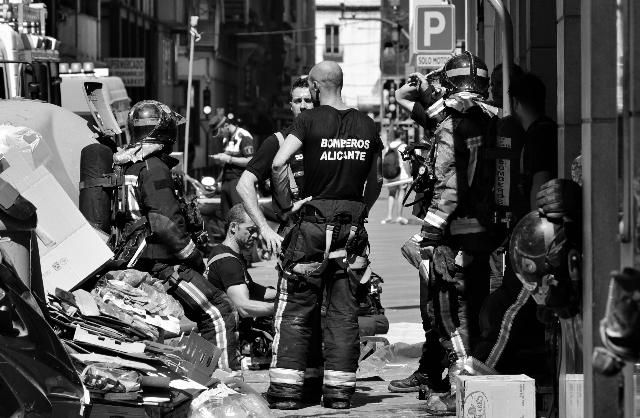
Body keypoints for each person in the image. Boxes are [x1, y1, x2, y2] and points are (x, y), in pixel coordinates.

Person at [265, 61, 383, 410]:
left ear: (315, 87)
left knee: (297, 308)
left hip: (312, 228)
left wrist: (288, 202)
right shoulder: (367, 124)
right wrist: (361, 212)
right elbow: (374, 183)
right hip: (351, 231)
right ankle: (339, 394)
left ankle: (286, 393)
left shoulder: (308, 120)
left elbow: (278, 162)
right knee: (343, 313)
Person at [391, 53, 500, 412]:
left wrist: (430, 235)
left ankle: (464, 391)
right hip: (484, 236)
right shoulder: (490, 120)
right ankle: (463, 384)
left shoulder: (453, 127)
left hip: (454, 238)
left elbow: (448, 188)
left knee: (449, 315)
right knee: (473, 312)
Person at [113, 100, 238, 371]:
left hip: (137, 260)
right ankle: (223, 384)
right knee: (218, 312)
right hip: (161, 262)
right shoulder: (154, 167)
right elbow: (164, 222)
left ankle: (196, 374)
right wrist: (193, 256)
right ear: (166, 132)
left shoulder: (127, 163)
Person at [236, 76, 314, 255]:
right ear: (291, 105)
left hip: (328, 232)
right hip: (296, 237)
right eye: (297, 101)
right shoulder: (277, 142)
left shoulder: (327, 140)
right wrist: (264, 228)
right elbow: (243, 185)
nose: (303, 105)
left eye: (308, 100)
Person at [206, 203, 277, 368]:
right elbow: (244, 308)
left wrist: (283, 293)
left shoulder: (226, 253)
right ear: (233, 227)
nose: (255, 235)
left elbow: (251, 288)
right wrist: (282, 307)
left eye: (257, 231)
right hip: (227, 339)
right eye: (250, 230)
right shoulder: (228, 262)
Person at [210, 112, 255, 217]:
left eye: (219, 131)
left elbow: (250, 160)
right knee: (226, 216)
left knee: (238, 215)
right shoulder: (226, 138)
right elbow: (227, 163)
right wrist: (218, 180)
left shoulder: (244, 136)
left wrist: (229, 159)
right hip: (227, 180)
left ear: (225, 125)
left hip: (239, 180)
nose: (219, 135)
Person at [381, 134, 410, 225]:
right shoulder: (403, 146)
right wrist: (409, 175)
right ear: (402, 136)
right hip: (402, 175)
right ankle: (399, 216)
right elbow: (406, 162)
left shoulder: (388, 147)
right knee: (401, 194)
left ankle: (389, 216)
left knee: (391, 194)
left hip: (392, 175)